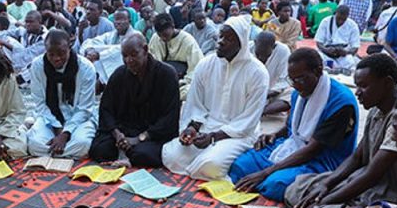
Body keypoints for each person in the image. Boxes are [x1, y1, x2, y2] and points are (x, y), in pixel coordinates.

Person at [286, 55, 397, 208]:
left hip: (388, 191)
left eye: (364, 86)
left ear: (387, 83)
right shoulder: (376, 110)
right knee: (298, 188)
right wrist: (327, 184)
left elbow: (372, 175)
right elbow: (357, 157)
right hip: (365, 182)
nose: (358, 92)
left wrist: (324, 201)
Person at [230, 48, 359, 201]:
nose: (296, 85)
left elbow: (313, 149)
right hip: (292, 145)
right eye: (292, 80)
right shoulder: (299, 92)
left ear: (318, 71)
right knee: (240, 166)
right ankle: (263, 182)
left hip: (321, 158)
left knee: (275, 185)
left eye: (301, 79)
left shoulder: (342, 103)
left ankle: (266, 182)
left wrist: (265, 172)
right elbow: (292, 129)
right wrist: (275, 134)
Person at [161, 16, 266, 180]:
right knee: (172, 156)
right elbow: (196, 103)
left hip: (238, 133)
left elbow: (248, 120)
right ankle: (207, 156)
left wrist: (213, 138)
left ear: (242, 44)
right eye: (221, 36)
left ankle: (212, 158)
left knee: (211, 165)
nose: (221, 42)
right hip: (207, 126)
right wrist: (193, 128)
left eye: (228, 39)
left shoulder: (257, 72)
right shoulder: (206, 64)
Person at [89, 34, 181, 167]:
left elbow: (170, 117)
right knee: (100, 150)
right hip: (124, 131)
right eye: (124, 56)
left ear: (145, 49)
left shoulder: (166, 74)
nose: (128, 60)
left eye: (133, 55)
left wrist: (140, 138)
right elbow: (106, 108)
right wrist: (117, 133)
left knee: (143, 154)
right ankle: (126, 149)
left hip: (152, 134)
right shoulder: (120, 74)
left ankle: (131, 154)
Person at [27, 29, 98, 158]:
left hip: (79, 118)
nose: (56, 58)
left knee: (83, 144)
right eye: (51, 54)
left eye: (61, 53)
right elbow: (40, 104)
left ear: (69, 47)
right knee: (35, 144)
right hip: (49, 119)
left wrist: (65, 134)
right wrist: (58, 128)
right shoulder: (37, 66)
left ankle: (54, 151)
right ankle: (61, 151)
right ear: (45, 50)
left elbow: (84, 108)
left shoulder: (86, 68)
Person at [148, 12, 204, 100]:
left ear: (173, 26)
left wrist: (183, 82)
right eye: (160, 35)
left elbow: (196, 68)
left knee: (190, 92)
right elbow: (153, 64)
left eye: (165, 35)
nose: (163, 38)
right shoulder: (156, 38)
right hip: (162, 80)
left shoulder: (187, 40)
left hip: (183, 81)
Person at [79, 8, 142, 84]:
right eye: (116, 19)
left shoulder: (136, 36)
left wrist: (99, 54)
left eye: (122, 19)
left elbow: (120, 49)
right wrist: (89, 50)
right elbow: (89, 42)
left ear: (129, 21)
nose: (118, 22)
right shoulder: (111, 35)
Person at [314, 5, 361, 74]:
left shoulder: (353, 25)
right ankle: (331, 69)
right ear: (335, 13)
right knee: (317, 58)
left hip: (343, 53)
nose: (340, 21)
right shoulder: (326, 21)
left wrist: (346, 52)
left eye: (343, 19)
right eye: (339, 18)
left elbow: (355, 47)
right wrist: (326, 50)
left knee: (350, 62)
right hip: (327, 52)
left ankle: (338, 69)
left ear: (347, 16)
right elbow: (318, 42)